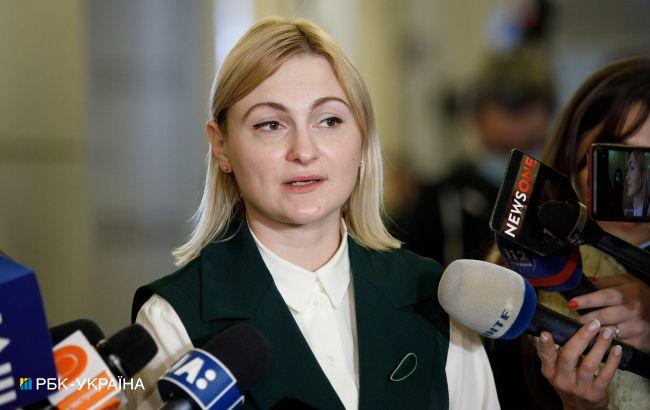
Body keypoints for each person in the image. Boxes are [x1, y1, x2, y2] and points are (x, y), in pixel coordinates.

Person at [129, 17, 499, 410]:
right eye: (271, 124)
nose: (304, 151)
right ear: (221, 146)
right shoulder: (174, 320)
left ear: (362, 137)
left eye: (329, 121)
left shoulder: (431, 297)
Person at [491, 58, 650, 410]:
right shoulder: (512, 283)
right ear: (572, 149)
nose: (632, 185)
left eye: (648, 163)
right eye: (615, 158)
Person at [401, 49, 554, 265]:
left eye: (528, 107)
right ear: (477, 116)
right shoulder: (443, 199)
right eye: (506, 107)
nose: (517, 122)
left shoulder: (564, 191)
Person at [623, 151, 649, 217]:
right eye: (627, 169)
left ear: (642, 175)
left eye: (632, 168)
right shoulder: (626, 210)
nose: (627, 177)